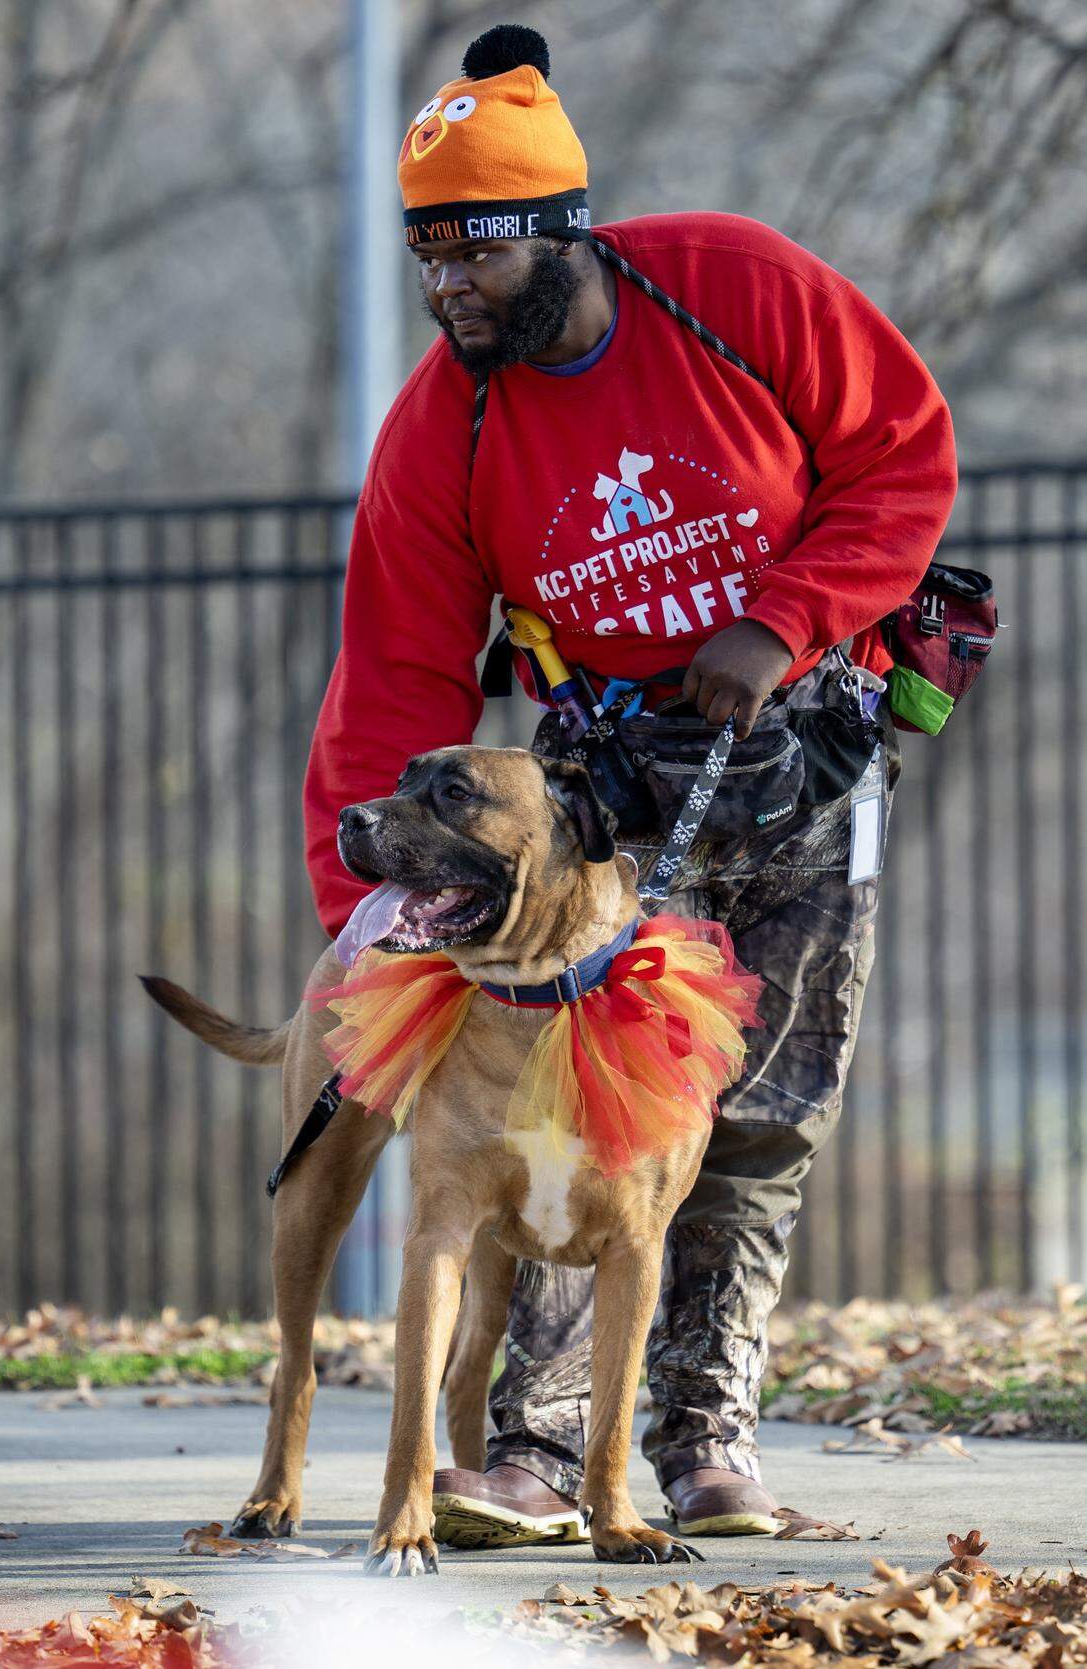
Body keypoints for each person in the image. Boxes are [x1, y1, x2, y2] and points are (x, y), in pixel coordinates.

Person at [304, 23, 957, 1543]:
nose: (447, 285)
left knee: (765, 1114)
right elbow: (393, 681)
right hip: (604, 812)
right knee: (567, 1110)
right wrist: (372, 923)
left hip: (804, 755)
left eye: (475, 250)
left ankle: (704, 1440)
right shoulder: (440, 431)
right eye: (426, 257)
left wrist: (777, 616)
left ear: (561, 231)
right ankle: (530, 1454)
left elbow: (901, 457)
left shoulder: (734, 288)